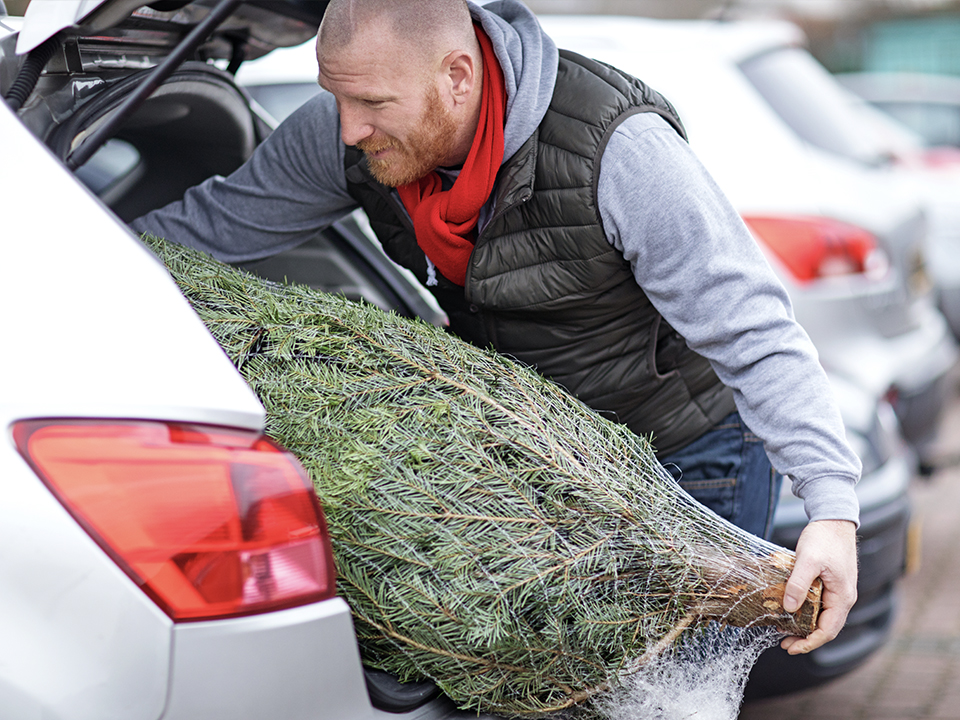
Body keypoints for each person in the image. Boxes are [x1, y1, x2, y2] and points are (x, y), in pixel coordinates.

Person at [131, 0, 860, 655]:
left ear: (457, 75)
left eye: (372, 102)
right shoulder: (347, 134)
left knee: (659, 697)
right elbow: (209, 231)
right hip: (544, 465)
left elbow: (753, 329)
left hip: (686, 460)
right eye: (337, 97)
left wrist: (831, 509)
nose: (349, 127)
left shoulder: (616, 150)